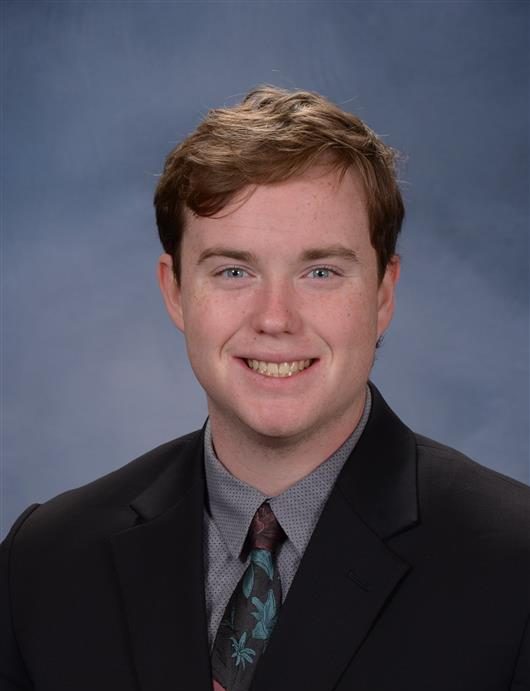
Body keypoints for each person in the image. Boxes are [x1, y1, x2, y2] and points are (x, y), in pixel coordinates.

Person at [1, 86, 529, 691]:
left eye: (321, 272)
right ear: (176, 291)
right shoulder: (43, 563)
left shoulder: (515, 566)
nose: (275, 318)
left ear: (383, 294)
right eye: (234, 271)